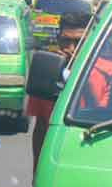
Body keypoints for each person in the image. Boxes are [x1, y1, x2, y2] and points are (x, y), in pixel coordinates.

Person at [28, 14, 86, 171]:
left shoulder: (104, 70)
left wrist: (79, 71)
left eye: (79, 42)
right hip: (54, 159)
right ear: (58, 40)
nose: (71, 49)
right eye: (66, 41)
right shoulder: (46, 69)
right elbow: (40, 127)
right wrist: (37, 170)